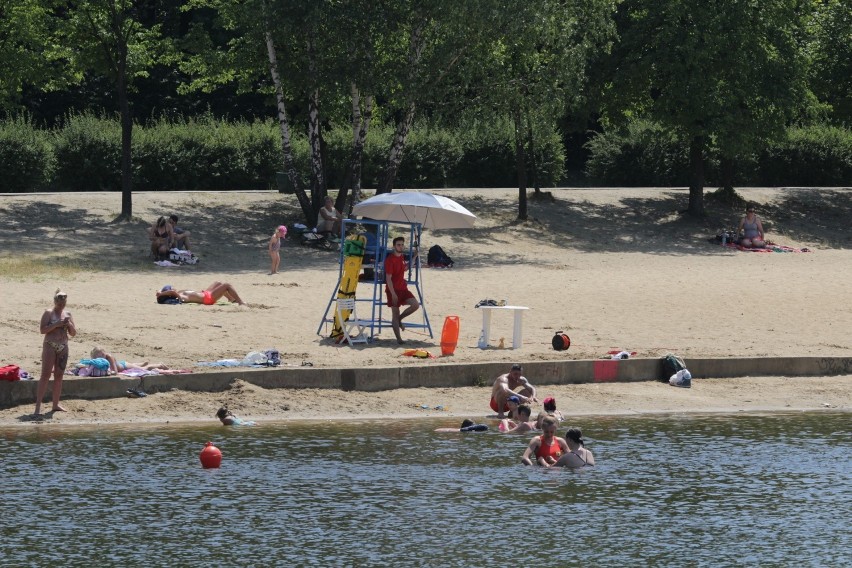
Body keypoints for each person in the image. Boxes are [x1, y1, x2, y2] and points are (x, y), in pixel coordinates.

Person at [34, 289, 77, 415]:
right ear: (55, 301)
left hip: (63, 346)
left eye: (63, 303)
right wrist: (57, 324)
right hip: (50, 345)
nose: (61, 305)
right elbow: (42, 330)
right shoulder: (48, 313)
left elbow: (73, 333)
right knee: (45, 375)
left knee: (59, 376)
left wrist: (69, 324)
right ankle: (37, 406)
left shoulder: (68, 314)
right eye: (59, 303)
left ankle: (55, 404)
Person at [384, 236, 420, 344]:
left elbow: (405, 268)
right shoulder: (390, 260)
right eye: (398, 245)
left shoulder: (402, 257)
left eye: (402, 244)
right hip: (393, 290)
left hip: (403, 289)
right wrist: (393, 293)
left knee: (415, 305)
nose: (400, 246)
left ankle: (400, 319)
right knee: (395, 313)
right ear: (394, 246)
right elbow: (388, 279)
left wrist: (415, 256)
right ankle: (399, 339)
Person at [89, 346, 168, 374]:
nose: (102, 358)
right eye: (99, 357)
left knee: (144, 369)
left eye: (103, 355)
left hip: (123, 366)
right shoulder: (97, 361)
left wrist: (110, 372)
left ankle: (160, 365)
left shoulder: (109, 357)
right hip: (120, 363)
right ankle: (141, 363)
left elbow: (115, 371)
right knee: (133, 365)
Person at [156, 282, 246, 306]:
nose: (173, 287)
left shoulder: (178, 292)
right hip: (208, 299)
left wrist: (160, 292)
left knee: (218, 283)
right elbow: (171, 292)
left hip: (205, 293)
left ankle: (231, 298)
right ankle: (240, 302)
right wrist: (161, 294)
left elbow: (166, 291)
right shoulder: (180, 296)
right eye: (171, 287)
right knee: (227, 285)